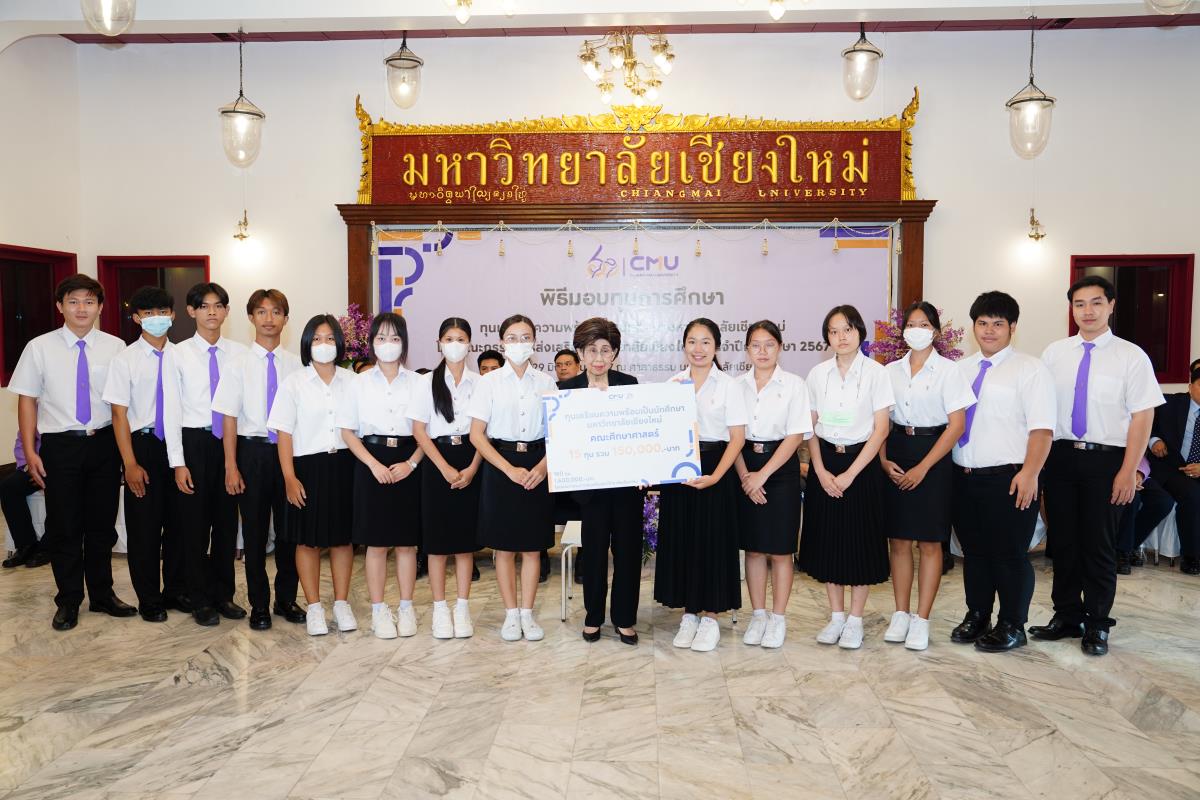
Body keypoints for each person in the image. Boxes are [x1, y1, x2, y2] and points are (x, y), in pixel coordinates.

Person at [1032, 275, 1164, 656]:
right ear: (1071, 309)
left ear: (1111, 306)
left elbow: (1143, 417)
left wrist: (1128, 469)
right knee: (1063, 543)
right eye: (1079, 304)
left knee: (1099, 545)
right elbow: (1041, 410)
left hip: (1107, 461)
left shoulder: (1131, 357)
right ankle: (1066, 616)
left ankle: (1097, 623)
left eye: (1095, 303)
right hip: (1060, 457)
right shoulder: (1054, 354)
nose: (1087, 311)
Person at [8, 274, 135, 630]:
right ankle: (68, 600)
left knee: (101, 524)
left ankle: (102, 594)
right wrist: (30, 450)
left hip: (104, 443)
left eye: (89, 301)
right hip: (59, 446)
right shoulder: (39, 347)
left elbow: (122, 404)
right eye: (74, 301)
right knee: (64, 526)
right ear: (60, 306)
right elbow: (27, 401)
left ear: (100, 307)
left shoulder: (115, 347)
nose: (82, 308)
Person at [949, 291, 1055, 652]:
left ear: (1013, 327)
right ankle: (978, 615)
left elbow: (1042, 429)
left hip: (1010, 478)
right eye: (982, 323)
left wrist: (1030, 473)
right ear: (973, 327)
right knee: (975, 553)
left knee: (1009, 554)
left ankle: (1012, 624)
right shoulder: (961, 370)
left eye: (998, 323)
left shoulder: (1030, 369)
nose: (989, 330)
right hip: (964, 476)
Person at [879, 301, 975, 651]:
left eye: (924, 324)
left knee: (930, 542)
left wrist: (924, 467)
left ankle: (921, 619)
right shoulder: (889, 371)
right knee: (899, 540)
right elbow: (880, 421)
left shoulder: (950, 371)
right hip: (897, 450)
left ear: (935, 330)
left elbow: (956, 426)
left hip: (934, 455)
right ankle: (901, 613)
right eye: (911, 324)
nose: (916, 330)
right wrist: (883, 460)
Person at [799, 305, 894, 650]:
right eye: (834, 331)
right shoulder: (817, 374)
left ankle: (855, 620)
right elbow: (809, 426)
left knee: (860, 543)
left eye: (848, 330)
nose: (841, 337)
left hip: (862, 465)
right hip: (825, 461)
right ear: (827, 337)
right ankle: (836, 616)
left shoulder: (876, 373)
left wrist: (852, 474)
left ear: (860, 333)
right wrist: (820, 470)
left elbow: (881, 429)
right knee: (829, 542)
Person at [211, 289, 305, 631]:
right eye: (262, 312)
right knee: (253, 534)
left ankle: (286, 599)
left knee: (289, 533)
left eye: (276, 312)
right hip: (251, 454)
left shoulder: (297, 365)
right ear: (251, 317)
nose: (269, 318)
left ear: (285, 318)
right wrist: (231, 465)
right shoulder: (236, 364)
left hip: (289, 454)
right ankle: (260, 605)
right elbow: (229, 418)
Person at [655, 318, 747, 653]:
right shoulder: (672, 384)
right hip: (680, 471)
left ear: (717, 346)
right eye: (692, 341)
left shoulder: (729, 386)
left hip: (716, 469)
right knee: (684, 541)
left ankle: (710, 617)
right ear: (684, 346)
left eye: (706, 342)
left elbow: (737, 438)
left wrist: (717, 476)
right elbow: (662, 434)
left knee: (713, 543)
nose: (698, 349)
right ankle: (689, 614)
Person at [467, 314, 557, 642]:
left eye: (526, 337)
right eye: (513, 338)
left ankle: (527, 614)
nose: (519, 344)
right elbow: (477, 435)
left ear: (535, 342)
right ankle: (510, 614)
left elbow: (559, 433)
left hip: (537, 464)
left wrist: (542, 468)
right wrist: (508, 469)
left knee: (533, 548)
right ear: (502, 342)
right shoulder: (488, 383)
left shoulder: (546, 382)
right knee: (504, 548)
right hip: (500, 464)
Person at [165, 282, 248, 626]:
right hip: (194, 443)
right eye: (204, 306)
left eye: (218, 306)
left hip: (230, 443)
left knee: (227, 525)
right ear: (191, 311)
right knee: (195, 528)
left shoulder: (240, 353)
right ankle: (199, 599)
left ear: (227, 311)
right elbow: (171, 410)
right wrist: (178, 462)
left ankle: (223, 595)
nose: (211, 312)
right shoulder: (177, 354)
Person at [269, 314, 356, 636]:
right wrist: (289, 477)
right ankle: (315, 607)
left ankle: (342, 604)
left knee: (342, 539)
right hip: (307, 468)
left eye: (330, 338)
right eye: (317, 339)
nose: (324, 344)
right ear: (307, 343)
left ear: (339, 343)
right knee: (308, 541)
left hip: (345, 465)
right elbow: (284, 433)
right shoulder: (294, 383)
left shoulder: (353, 382)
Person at [339, 312, 425, 639]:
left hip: (408, 460)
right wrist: (372, 465)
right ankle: (378, 611)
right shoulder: (358, 383)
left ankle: (406, 607)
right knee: (375, 544)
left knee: (406, 544)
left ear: (404, 343)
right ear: (371, 343)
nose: (388, 344)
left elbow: (426, 433)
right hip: (370, 462)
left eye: (394, 338)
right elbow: (347, 432)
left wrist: (411, 464)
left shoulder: (419, 383)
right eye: (381, 338)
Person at [103, 286, 184, 623]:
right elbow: (118, 415)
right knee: (145, 529)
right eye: (148, 313)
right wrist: (130, 463)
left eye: (162, 312)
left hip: (179, 446)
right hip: (144, 445)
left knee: (179, 524)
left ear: (173, 315)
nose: (156, 318)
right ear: (136, 318)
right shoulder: (124, 360)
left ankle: (175, 591)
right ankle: (150, 598)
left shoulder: (183, 356)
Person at [559, 317, 642, 645]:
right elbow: (561, 440)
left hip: (625, 487)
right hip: (588, 490)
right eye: (591, 350)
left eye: (605, 350)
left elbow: (640, 433)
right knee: (592, 555)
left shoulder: (629, 384)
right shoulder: (566, 390)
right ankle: (593, 617)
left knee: (628, 554)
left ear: (615, 353)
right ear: (580, 353)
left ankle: (625, 618)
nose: (598, 357)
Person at [735, 320, 811, 649]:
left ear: (780, 347)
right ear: (747, 350)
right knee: (753, 548)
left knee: (780, 550)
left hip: (780, 470)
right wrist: (745, 477)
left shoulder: (794, 385)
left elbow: (795, 436)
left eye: (769, 344)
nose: (762, 351)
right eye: (756, 345)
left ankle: (778, 618)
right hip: (744, 466)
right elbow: (732, 437)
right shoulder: (736, 386)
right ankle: (758, 615)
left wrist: (762, 476)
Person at [410, 317, 481, 639]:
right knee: (437, 544)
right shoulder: (426, 382)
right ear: (439, 343)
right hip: (436, 461)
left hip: (471, 457)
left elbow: (485, 432)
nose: (455, 344)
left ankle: (462, 608)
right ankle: (440, 609)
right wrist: (443, 467)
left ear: (470, 344)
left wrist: (473, 468)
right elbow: (419, 431)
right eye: (449, 339)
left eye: (461, 339)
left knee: (465, 544)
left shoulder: (480, 383)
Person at [1146, 361, 1200, 575]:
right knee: (1192, 495)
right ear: (1190, 387)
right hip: (1172, 468)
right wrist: (1154, 441)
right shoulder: (1169, 403)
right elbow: (1145, 427)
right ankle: (1191, 556)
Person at [1115, 457, 1173, 573]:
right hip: (1111, 470)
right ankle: (1122, 551)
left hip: (1134, 470)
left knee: (1162, 502)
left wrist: (1140, 473)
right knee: (1132, 497)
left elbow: (1142, 456)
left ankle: (1130, 545)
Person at [1, 433, 49, 569]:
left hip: (61, 467)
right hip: (33, 467)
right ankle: (26, 545)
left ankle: (48, 546)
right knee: (8, 486)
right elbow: (22, 442)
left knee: (58, 491)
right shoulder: (30, 419)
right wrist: (30, 468)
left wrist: (48, 470)